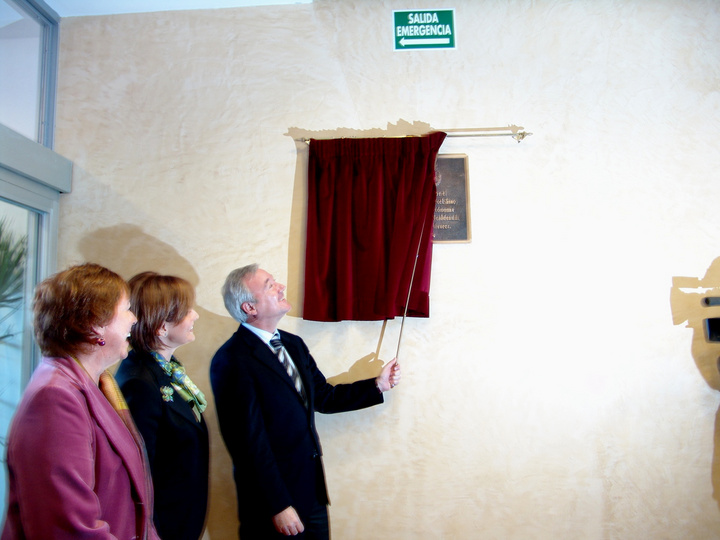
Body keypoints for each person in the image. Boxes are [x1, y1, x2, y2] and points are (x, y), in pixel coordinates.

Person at [210, 264, 401, 539]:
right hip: (275, 505)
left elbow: (324, 396)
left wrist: (377, 385)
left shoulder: (293, 344)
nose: (281, 287)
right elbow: (247, 444)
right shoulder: (232, 360)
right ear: (249, 308)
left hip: (311, 492)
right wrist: (278, 504)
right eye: (269, 285)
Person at [2, 263, 159, 540]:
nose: (133, 319)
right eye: (126, 309)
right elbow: (69, 527)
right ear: (95, 325)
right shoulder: (55, 398)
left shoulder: (95, 384)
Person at [115, 272, 209, 540]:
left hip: (182, 518)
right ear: (162, 326)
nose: (195, 316)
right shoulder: (140, 382)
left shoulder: (166, 369)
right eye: (186, 311)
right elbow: (142, 472)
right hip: (163, 525)